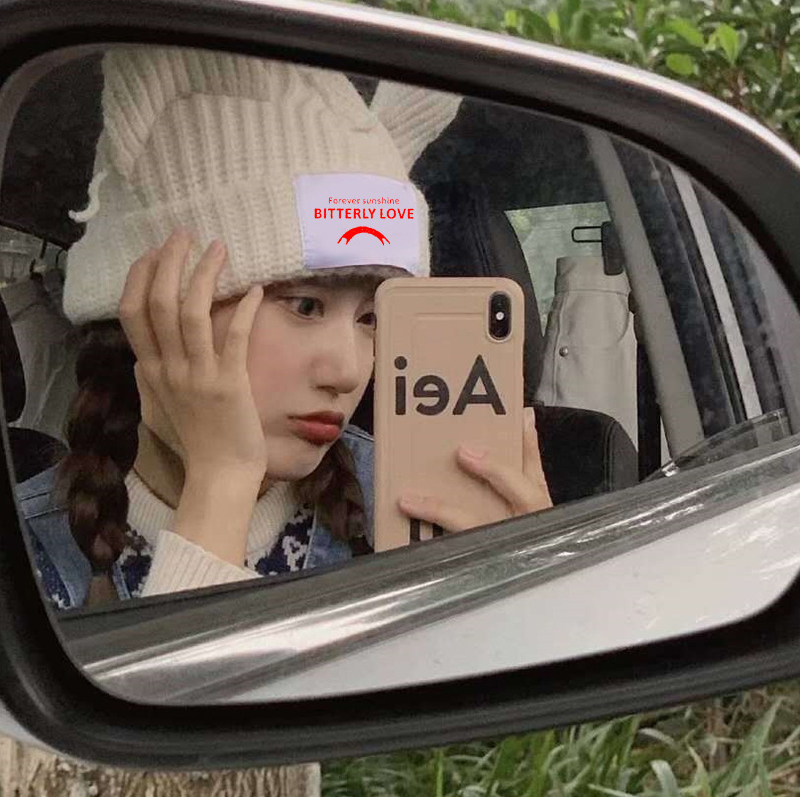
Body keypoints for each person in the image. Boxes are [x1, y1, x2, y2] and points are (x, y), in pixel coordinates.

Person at [16, 44, 552, 611]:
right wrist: (221, 482)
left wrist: (527, 589)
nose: (348, 372)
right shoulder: (28, 554)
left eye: (371, 318)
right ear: (152, 309)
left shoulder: (414, 497)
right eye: (305, 306)